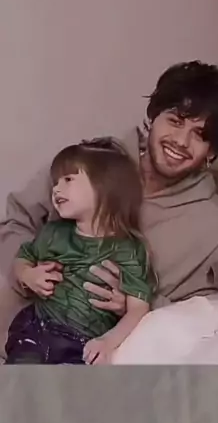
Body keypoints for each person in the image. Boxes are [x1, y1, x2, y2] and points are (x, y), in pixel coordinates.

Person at [0, 61, 218, 356]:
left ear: (213, 152)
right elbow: (18, 219)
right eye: (176, 120)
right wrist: (25, 272)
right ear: (153, 116)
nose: (181, 141)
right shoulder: (91, 160)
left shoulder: (215, 231)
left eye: (200, 135)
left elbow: (202, 324)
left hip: (93, 362)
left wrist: (135, 307)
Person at [5, 138, 153, 365]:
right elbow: (22, 258)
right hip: (35, 329)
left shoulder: (129, 249)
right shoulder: (54, 232)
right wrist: (28, 275)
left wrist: (108, 341)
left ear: (105, 186)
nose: (56, 189)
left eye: (68, 179)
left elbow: (138, 309)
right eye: (56, 182)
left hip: (81, 344)